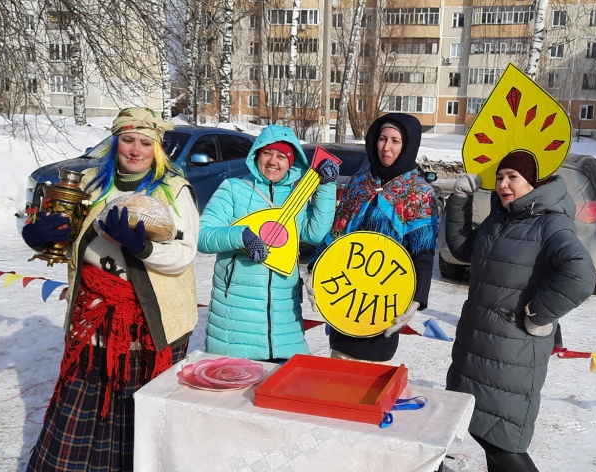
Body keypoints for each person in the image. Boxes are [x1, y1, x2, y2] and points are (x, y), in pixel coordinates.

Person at [22, 107, 200, 471]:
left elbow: (183, 255)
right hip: (93, 317)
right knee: (80, 408)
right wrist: (39, 237)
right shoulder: (90, 184)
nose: (135, 150)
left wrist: (142, 248)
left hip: (149, 323)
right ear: (115, 142)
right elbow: (67, 238)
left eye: (145, 143)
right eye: (127, 140)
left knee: (139, 414)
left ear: (157, 148)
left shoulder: (173, 191)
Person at [443, 151, 594, 472]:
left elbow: (581, 275)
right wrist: (459, 201)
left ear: (533, 183)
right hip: (476, 347)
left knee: (502, 441)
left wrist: (539, 314)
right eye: (500, 177)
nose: (503, 184)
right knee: (480, 428)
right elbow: (462, 248)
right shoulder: (502, 219)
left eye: (513, 177)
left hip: (511, 354)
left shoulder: (550, 223)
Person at [198, 125, 339, 362]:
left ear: (291, 162)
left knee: (281, 380)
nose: (273, 161)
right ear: (256, 155)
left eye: (282, 156)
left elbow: (315, 234)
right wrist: (241, 236)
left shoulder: (296, 196)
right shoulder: (234, 189)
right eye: (267, 153)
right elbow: (202, 236)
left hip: (285, 321)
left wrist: (327, 186)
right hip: (236, 322)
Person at [309, 113, 438, 363]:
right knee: (338, 368)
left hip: (384, 302)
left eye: (395, 141)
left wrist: (416, 298)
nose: (386, 147)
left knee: (370, 374)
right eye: (382, 139)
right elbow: (337, 232)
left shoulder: (420, 192)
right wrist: (316, 268)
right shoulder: (359, 182)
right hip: (344, 294)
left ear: (408, 146)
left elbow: (423, 252)